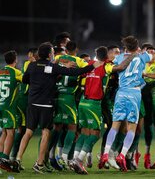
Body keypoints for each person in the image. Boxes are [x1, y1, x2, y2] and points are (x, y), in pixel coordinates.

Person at [16, 42, 103, 174]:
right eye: (52, 52)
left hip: (32, 103)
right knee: (46, 132)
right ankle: (39, 163)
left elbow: (25, 79)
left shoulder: (32, 66)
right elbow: (74, 72)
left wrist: (40, 81)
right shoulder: (52, 67)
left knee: (28, 132)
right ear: (50, 54)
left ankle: (17, 159)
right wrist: (92, 66)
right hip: (46, 104)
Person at [98, 36, 155, 172]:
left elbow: (108, 63)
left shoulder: (119, 58)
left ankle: (106, 153)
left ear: (125, 47)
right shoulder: (142, 57)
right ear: (137, 46)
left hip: (121, 93)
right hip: (134, 94)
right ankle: (122, 155)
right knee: (132, 128)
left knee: (115, 126)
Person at [72, 46, 134, 175]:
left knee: (85, 132)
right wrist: (132, 56)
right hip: (94, 104)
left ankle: (74, 159)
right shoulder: (105, 66)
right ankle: (79, 160)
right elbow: (121, 67)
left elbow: (76, 67)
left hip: (82, 102)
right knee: (95, 134)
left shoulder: (89, 64)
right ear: (106, 56)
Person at [10, 48, 38, 169]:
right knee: (22, 130)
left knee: (22, 130)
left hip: (25, 100)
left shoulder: (31, 64)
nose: (29, 57)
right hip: (23, 100)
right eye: (30, 55)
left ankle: (13, 158)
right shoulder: (29, 64)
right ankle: (12, 158)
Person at [0, 50, 22, 172]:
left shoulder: (0, 71)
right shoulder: (16, 72)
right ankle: (4, 159)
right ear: (15, 60)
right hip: (9, 107)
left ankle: (0, 157)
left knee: (4, 132)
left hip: (0, 105)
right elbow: (27, 80)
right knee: (11, 133)